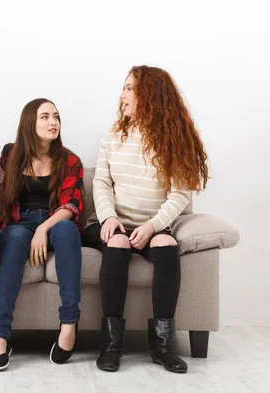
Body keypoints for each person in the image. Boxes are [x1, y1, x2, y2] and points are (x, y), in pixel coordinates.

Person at [84, 65, 210, 374]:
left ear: (149, 95)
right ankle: (112, 345)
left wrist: (152, 226)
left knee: (167, 243)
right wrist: (109, 218)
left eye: (129, 88)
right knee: (116, 243)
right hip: (111, 223)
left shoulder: (174, 140)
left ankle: (162, 346)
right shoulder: (114, 135)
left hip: (152, 226)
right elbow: (101, 183)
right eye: (124, 87)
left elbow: (179, 194)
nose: (122, 95)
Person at [0, 98, 84, 371]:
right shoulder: (11, 154)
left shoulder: (70, 160)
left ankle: (68, 325)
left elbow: (71, 206)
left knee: (66, 229)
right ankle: (0, 337)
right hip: (20, 223)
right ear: (30, 122)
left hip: (55, 223)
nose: (53, 122)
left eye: (56, 116)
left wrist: (43, 228)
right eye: (45, 117)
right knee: (16, 237)